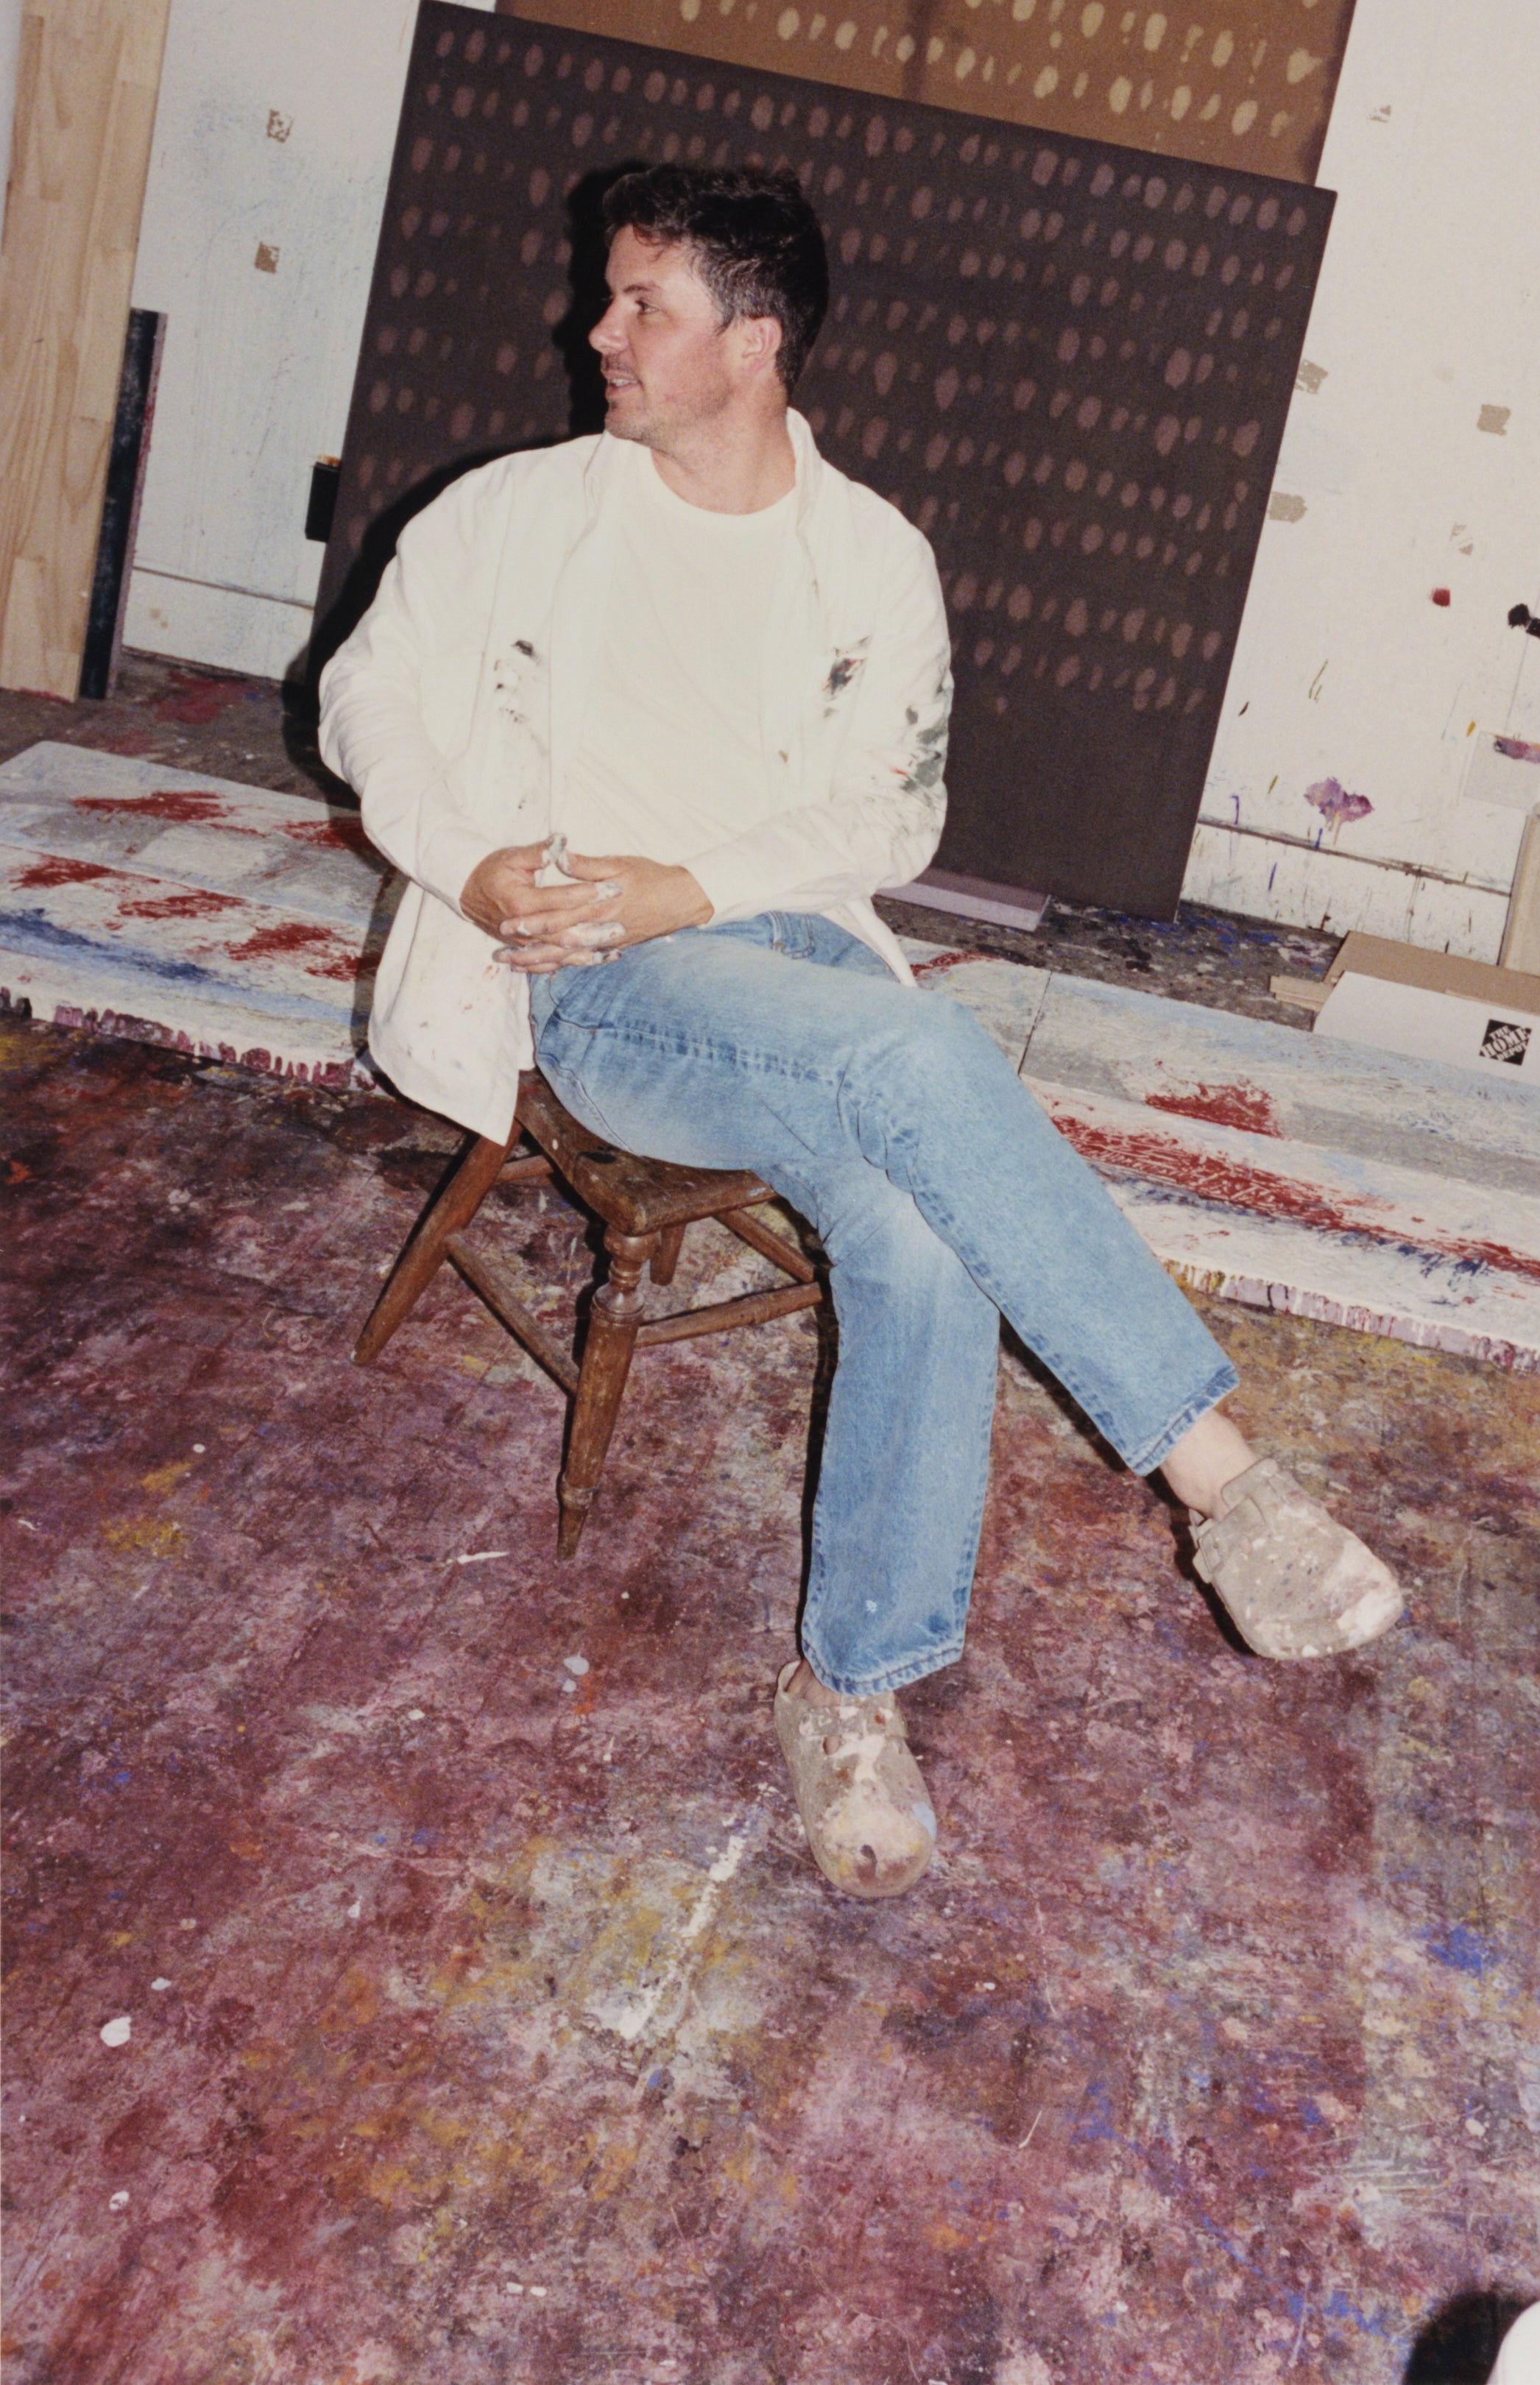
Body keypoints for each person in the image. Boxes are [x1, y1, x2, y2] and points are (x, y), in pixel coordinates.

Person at [321, 158, 1402, 1898]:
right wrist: (470, 860)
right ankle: (1228, 1485)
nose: (593, 330)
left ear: (751, 342)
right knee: (928, 1070)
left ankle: (852, 1692)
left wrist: (704, 881)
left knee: (914, 1220)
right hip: (603, 978)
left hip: (784, 953)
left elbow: (887, 823)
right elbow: (362, 690)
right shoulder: (517, 511)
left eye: (639, 306)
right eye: (611, 299)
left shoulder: (870, 557)